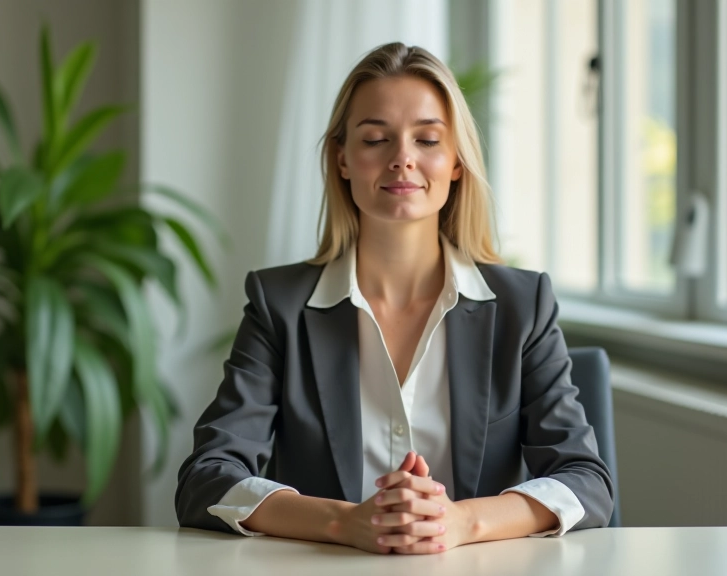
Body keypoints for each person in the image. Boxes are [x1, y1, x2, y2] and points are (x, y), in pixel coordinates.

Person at [175, 42, 614, 555]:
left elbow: (586, 481)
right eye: (376, 138)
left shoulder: (523, 305)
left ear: (455, 162)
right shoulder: (280, 306)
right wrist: (344, 523)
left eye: (427, 139)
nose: (402, 158)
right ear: (342, 159)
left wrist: (463, 522)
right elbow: (205, 479)